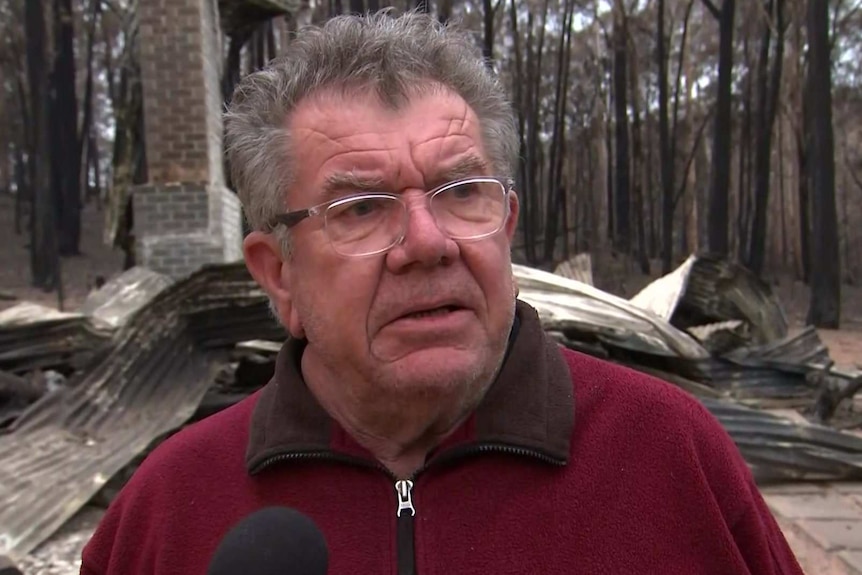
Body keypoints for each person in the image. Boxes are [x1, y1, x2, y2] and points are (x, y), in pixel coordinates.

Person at [81, 10, 804, 575]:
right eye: (361, 207)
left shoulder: (672, 457)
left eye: (462, 192)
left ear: (507, 226)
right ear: (278, 272)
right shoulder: (171, 509)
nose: (428, 242)